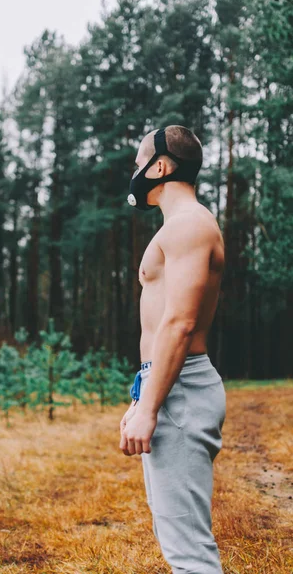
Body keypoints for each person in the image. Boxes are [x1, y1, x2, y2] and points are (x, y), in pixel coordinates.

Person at [119, 125, 226, 574]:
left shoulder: (190, 225)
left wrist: (151, 407)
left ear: (159, 166)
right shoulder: (180, 226)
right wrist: (143, 397)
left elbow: (179, 323)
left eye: (139, 161)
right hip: (167, 385)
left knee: (189, 554)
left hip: (180, 388)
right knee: (174, 536)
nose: (134, 172)